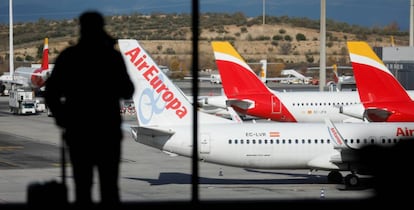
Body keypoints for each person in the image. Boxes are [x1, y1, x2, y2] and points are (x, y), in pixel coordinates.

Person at [45, 11, 134, 206]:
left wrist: (63, 118)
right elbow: (128, 91)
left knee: (82, 187)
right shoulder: (111, 57)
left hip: (79, 132)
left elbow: (50, 93)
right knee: (109, 188)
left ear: (81, 28)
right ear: (101, 27)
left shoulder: (69, 57)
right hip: (107, 132)